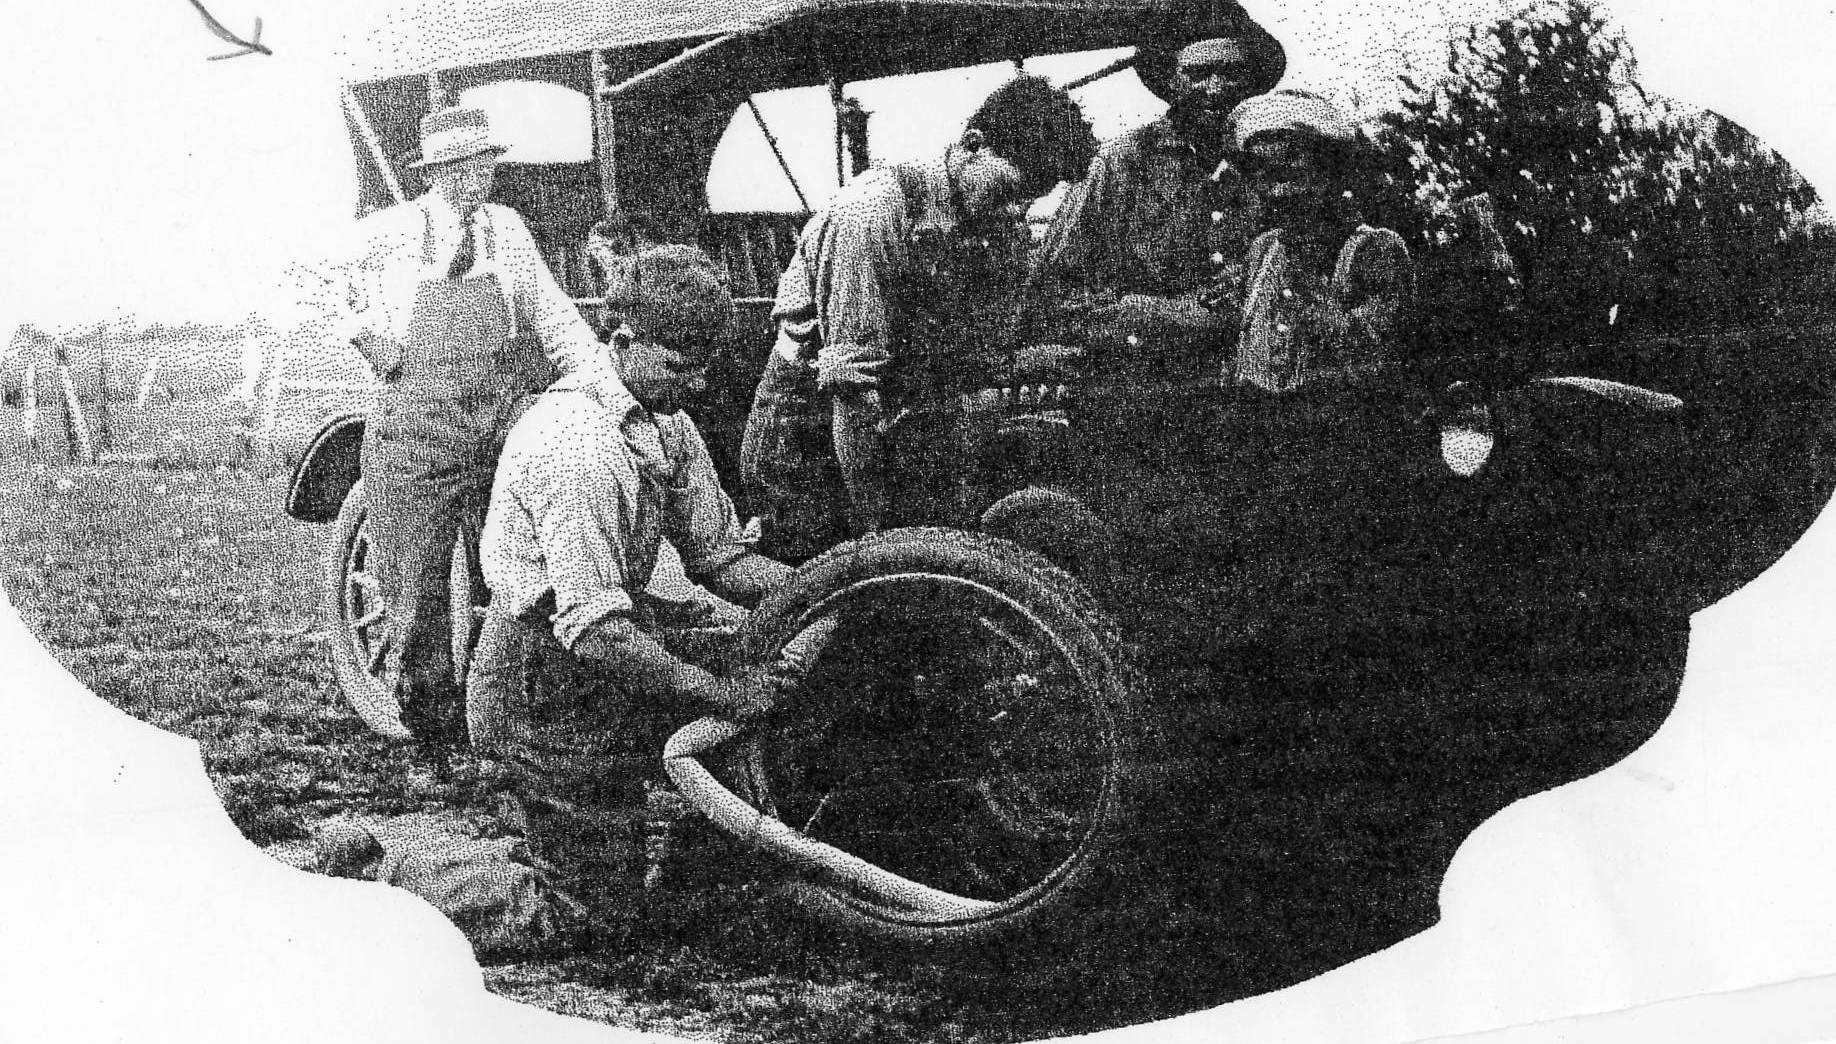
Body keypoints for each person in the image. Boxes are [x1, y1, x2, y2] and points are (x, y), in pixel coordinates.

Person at [465, 245, 797, 942]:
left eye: (707, 367)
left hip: (612, 652)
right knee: (580, 918)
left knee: (772, 676)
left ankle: (683, 861)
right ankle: (387, 865)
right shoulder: (576, 444)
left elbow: (718, 558)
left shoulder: (667, 422)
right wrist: (715, 690)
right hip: (542, 683)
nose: (699, 384)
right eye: (681, 365)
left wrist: (826, 590)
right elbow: (595, 632)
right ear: (622, 342)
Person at [326, 105, 616, 747]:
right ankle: (431, 736)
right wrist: (370, 336)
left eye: (481, 166)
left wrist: (609, 388)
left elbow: (553, 314)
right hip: (416, 432)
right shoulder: (394, 231)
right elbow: (316, 278)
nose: (471, 180)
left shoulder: (507, 231)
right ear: (434, 173)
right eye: (456, 169)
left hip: (496, 430)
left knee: (521, 571)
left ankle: (512, 718)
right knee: (417, 589)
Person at [739, 75, 1096, 561]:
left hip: (907, 420)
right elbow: (853, 394)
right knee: (848, 589)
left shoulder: (996, 224)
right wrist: (883, 541)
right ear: (973, 145)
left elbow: (983, 355)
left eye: (1031, 197)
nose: (1017, 210)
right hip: (814, 429)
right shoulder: (872, 213)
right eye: (1011, 189)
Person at [1022, 0, 1286, 373]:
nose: (1215, 88)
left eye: (1232, 72)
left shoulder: (1272, 165)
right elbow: (1054, 289)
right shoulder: (1123, 162)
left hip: (1247, 382)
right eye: (1198, 73)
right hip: (1139, 381)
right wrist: (1155, 314)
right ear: (1171, 79)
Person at [1226, 90, 1414, 391]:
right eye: (1262, 169)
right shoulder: (1264, 250)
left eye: (1292, 164)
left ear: (1330, 169)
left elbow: (1376, 358)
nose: (1279, 189)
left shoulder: (1374, 250)